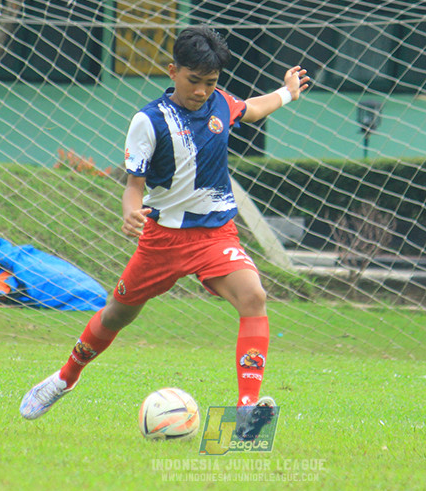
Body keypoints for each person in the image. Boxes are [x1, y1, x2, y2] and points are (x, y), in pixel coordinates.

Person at [19, 25, 310, 440]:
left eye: (211, 83)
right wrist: (132, 214)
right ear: (173, 71)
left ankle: (247, 415)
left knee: (254, 296)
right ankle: (65, 378)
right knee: (117, 315)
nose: (201, 91)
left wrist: (287, 93)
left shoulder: (221, 104)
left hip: (215, 235)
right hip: (162, 241)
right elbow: (133, 186)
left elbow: (254, 108)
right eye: (194, 81)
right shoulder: (149, 121)